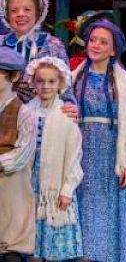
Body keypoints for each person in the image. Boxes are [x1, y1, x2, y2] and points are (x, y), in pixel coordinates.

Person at [73, 19, 126, 262]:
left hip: (111, 154)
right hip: (82, 152)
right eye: (93, 40)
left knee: (111, 212)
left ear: (113, 49)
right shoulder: (73, 77)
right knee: (84, 209)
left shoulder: (125, 82)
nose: (95, 45)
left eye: (103, 42)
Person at [24, 57, 83, 260]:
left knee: (55, 248)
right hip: (29, 183)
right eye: (40, 81)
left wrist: (67, 190)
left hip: (55, 185)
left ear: (60, 84)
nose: (46, 86)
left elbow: (74, 158)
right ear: (33, 83)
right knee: (30, 244)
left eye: (51, 81)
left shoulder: (65, 115)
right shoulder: (27, 112)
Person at [0, 0, 75, 105]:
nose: (20, 14)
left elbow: (66, 87)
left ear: (37, 13)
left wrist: (69, 106)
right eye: (14, 10)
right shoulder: (1, 44)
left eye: (27, 9)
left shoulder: (53, 45)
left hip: (44, 114)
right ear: (7, 15)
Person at [0, 47, 36, 262]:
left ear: (13, 76)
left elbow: (22, 153)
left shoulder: (25, 113)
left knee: (10, 245)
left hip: (11, 183)